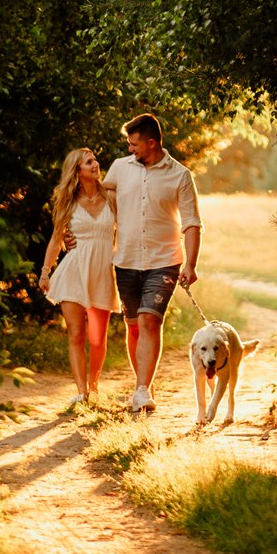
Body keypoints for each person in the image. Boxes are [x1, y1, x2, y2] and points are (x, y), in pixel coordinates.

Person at [103, 112, 201, 414]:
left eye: (134, 144)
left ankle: (142, 390)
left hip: (165, 260)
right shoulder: (119, 168)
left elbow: (192, 222)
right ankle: (143, 383)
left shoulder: (180, 175)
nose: (130, 149)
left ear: (151, 142)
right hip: (127, 260)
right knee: (133, 327)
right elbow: (98, 206)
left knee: (149, 320)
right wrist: (75, 234)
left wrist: (191, 265)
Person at [37, 147, 116, 408]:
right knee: (76, 335)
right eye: (89, 162)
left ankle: (94, 387)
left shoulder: (110, 196)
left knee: (98, 338)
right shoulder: (68, 202)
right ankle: (82, 393)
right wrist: (45, 272)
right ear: (77, 171)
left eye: (94, 160)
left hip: (103, 272)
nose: (96, 164)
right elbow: (56, 239)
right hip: (73, 271)